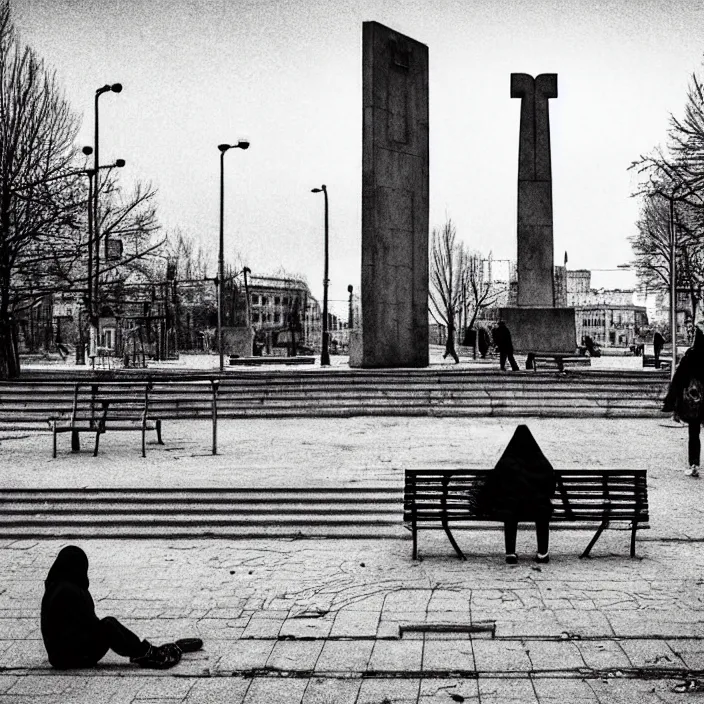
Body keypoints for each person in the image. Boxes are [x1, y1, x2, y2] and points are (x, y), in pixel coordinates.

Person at [41, 545, 201, 669]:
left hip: (58, 657)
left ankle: (143, 650)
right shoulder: (70, 591)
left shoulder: (56, 587)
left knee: (106, 626)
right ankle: (147, 653)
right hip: (73, 658)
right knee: (108, 625)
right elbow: (90, 624)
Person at [477, 425, 556, 564]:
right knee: (543, 509)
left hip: (513, 508)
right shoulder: (540, 461)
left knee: (510, 509)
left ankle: (510, 553)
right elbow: (551, 488)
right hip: (536, 508)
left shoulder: (506, 462)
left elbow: (495, 485)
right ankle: (543, 553)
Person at [662, 318, 704, 477]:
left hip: (695, 401)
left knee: (694, 433)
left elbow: (678, 380)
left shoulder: (691, 356)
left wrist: (670, 401)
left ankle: (694, 464)